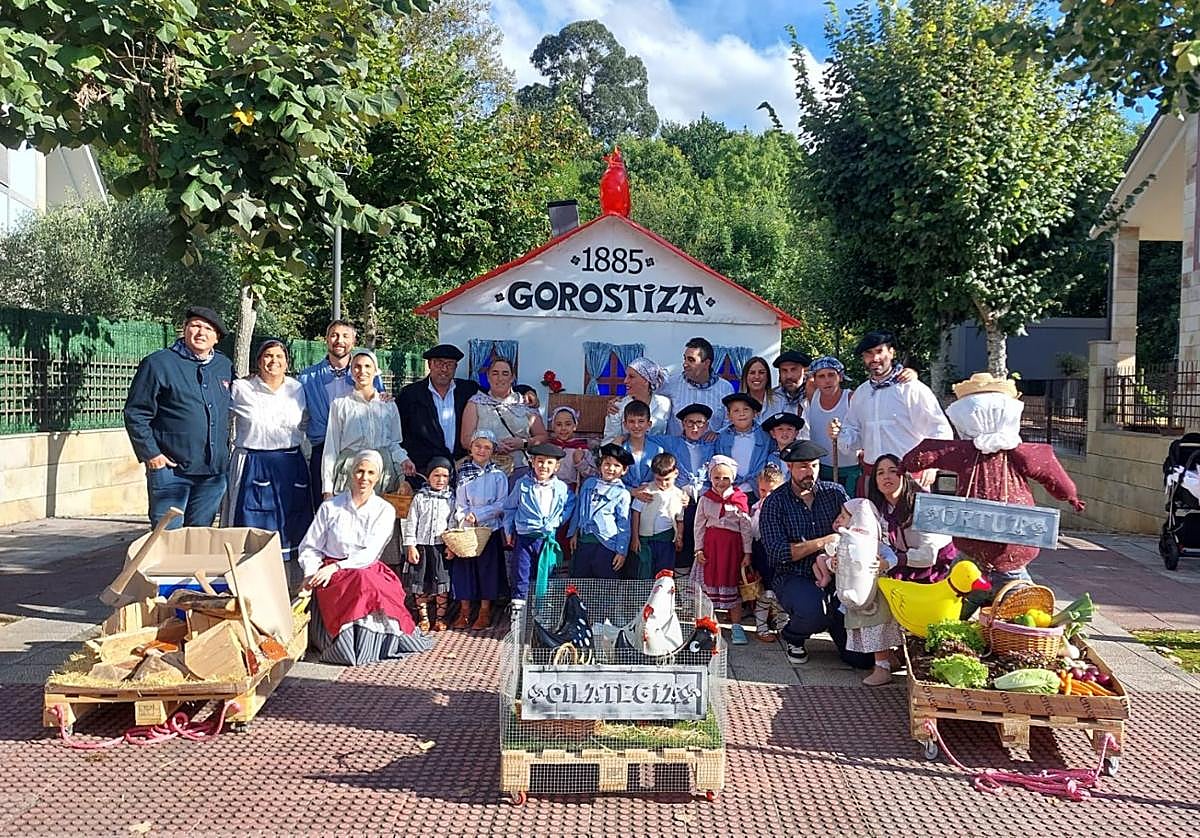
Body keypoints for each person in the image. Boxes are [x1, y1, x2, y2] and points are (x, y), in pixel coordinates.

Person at [902, 372, 1085, 613]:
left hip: (989, 549)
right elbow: (1052, 473)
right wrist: (1069, 495)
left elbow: (924, 454)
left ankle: (979, 620)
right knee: (1008, 602)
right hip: (1002, 545)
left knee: (963, 599)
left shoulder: (971, 452)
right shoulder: (1016, 452)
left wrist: (905, 464)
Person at [298, 449, 432, 665]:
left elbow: (370, 552)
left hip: (366, 567)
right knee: (360, 583)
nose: (364, 478)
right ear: (352, 473)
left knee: (368, 584)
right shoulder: (331, 507)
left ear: (378, 477)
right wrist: (311, 572)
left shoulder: (384, 510)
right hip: (332, 572)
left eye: (371, 473)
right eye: (360, 471)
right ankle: (346, 645)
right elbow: (311, 546)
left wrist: (337, 568)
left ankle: (370, 643)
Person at [758, 439, 874, 669]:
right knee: (815, 612)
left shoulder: (835, 493)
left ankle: (834, 624)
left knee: (861, 660)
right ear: (789, 467)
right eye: (802, 466)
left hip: (838, 576)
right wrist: (823, 542)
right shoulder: (774, 503)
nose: (809, 472)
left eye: (814, 465)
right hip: (793, 576)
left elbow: (857, 527)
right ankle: (793, 635)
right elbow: (778, 553)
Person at [124, 305, 233, 528]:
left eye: (208, 329)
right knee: (167, 536)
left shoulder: (224, 366)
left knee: (199, 537)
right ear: (184, 329)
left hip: (212, 474)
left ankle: (195, 566)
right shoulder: (158, 363)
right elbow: (136, 412)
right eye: (195, 326)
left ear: (216, 338)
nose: (201, 333)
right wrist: (152, 455)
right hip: (171, 471)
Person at [223, 339, 312, 586]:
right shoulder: (241, 388)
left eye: (279, 357)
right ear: (258, 360)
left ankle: (288, 587)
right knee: (251, 524)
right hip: (253, 462)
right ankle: (246, 585)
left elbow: (304, 423)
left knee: (290, 524)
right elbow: (222, 420)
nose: (273, 361)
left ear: (287, 362)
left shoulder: (297, 388)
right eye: (268, 356)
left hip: (290, 465)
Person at [831, 331, 952, 495]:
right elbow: (854, 435)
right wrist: (839, 434)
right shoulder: (861, 393)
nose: (874, 359)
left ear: (891, 352)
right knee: (872, 521)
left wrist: (933, 465)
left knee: (910, 521)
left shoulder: (912, 389)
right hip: (873, 477)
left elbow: (939, 428)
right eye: (868, 354)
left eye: (879, 351)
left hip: (909, 475)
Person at [297, 320, 383, 510]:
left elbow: (379, 405)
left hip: (360, 452)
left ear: (354, 340)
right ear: (326, 339)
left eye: (345, 336)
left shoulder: (367, 372)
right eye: (334, 335)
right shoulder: (307, 377)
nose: (339, 340)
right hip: (323, 449)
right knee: (325, 509)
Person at [822, 498, 903, 686]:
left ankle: (882, 667)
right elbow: (833, 562)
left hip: (874, 599)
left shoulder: (875, 545)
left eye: (844, 517)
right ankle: (886, 661)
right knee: (866, 632)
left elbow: (892, 559)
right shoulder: (844, 543)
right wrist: (832, 564)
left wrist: (883, 564)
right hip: (855, 599)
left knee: (876, 633)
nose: (840, 520)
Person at [322, 349, 413, 498]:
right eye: (357, 366)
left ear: (376, 370)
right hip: (351, 471)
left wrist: (404, 462)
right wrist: (327, 488)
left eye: (367, 366)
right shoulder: (340, 404)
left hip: (382, 473)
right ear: (351, 371)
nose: (362, 371)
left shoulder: (388, 405)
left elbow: (394, 443)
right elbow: (331, 448)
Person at [867, 453, 957, 583]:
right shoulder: (881, 508)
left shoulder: (925, 506)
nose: (886, 476)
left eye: (893, 471)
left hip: (939, 568)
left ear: (904, 475)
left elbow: (928, 555)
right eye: (880, 473)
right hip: (906, 564)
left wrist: (893, 560)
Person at [503, 442, 574, 604]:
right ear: (533, 462)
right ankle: (518, 617)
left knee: (546, 577)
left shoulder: (561, 488)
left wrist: (558, 520)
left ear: (556, 467)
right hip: (524, 538)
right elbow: (510, 508)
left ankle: (542, 615)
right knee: (521, 576)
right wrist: (508, 531)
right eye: (540, 461)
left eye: (549, 462)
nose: (544, 466)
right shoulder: (522, 484)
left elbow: (571, 504)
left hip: (547, 540)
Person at [452, 429, 509, 630]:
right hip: (467, 531)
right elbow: (459, 503)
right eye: (478, 446)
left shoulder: (498, 476)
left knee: (487, 570)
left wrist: (480, 515)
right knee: (464, 570)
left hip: (488, 530)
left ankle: (485, 611)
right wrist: (464, 520)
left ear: (493, 450)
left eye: (487, 447)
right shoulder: (463, 473)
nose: (482, 450)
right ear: (471, 448)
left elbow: (501, 504)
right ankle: (464, 610)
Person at [694, 455, 753, 645]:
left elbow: (746, 527)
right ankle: (708, 626)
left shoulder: (739, 499)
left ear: (733, 478)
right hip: (711, 548)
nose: (720, 482)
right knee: (709, 588)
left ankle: (736, 626)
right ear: (710, 478)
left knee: (730, 584)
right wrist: (699, 549)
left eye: (725, 478)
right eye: (716, 477)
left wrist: (747, 552)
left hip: (730, 549)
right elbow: (699, 525)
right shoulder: (705, 499)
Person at [396, 343, 480, 478]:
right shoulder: (410, 394)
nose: (444, 369)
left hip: (462, 467)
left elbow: (496, 392)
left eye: (449, 364)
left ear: (456, 367)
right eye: (439, 363)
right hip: (424, 470)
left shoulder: (467, 390)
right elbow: (398, 432)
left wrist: (524, 391)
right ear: (430, 365)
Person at [460, 357, 547, 478]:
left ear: (512, 378)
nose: (500, 378)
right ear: (488, 377)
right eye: (495, 373)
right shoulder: (475, 403)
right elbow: (465, 440)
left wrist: (523, 443)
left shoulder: (526, 402)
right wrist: (492, 445)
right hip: (484, 470)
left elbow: (542, 437)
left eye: (505, 373)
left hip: (520, 468)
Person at [659, 403, 716, 574]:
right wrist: (622, 437)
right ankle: (681, 582)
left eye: (700, 423)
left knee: (706, 543)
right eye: (690, 422)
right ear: (683, 424)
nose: (695, 427)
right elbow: (644, 437)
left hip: (706, 500)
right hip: (683, 501)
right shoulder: (672, 441)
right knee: (682, 543)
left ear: (706, 425)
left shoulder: (712, 443)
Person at [402, 457, 455, 632]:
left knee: (442, 582)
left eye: (445, 476)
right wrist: (410, 545)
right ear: (428, 476)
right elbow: (411, 522)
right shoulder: (420, 497)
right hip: (421, 547)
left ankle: (440, 618)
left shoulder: (451, 498)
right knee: (420, 583)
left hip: (440, 546)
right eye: (436, 475)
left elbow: (453, 522)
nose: (440, 480)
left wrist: (451, 545)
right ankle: (423, 618)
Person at [569, 443, 633, 579]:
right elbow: (579, 509)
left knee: (605, 583)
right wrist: (574, 533)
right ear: (600, 465)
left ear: (624, 470)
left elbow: (624, 524)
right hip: (585, 540)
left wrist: (621, 551)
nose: (611, 469)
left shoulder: (622, 493)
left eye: (617, 466)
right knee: (580, 580)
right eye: (607, 464)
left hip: (607, 543)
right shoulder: (589, 484)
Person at [805, 356, 859, 496]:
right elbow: (805, 376)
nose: (827, 380)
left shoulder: (851, 398)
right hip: (820, 468)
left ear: (840, 377)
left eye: (831, 375)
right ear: (815, 380)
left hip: (850, 469)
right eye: (821, 376)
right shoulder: (813, 395)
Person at [659, 337, 734, 434]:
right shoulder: (671, 383)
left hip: (712, 448)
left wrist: (718, 434)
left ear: (706, 363)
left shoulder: (725, 388)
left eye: (691, 360)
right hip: (675, 448)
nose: (685, 364)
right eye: (685, 359)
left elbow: (729, 423)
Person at [630, 452, 687, 579]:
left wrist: (679, 537)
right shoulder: (646, 491)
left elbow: (680, 520)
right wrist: (635, 538)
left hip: (667, 541)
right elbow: (636, 514)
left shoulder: (679, 495)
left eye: (667, 479)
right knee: (644, 571)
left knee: (665, 574)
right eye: (658, 480)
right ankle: (643, 598)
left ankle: (663, 598)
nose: (663, 483)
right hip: (646, 541)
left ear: (675, 474)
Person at [749, 464, 786, 642]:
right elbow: (754, 532)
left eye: (772, 491)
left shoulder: (785, 508)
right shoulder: (756, 507)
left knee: (781, 592)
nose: (767, 495)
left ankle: (782, 625)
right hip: (762, 553)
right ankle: (761, 626)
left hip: (779, 554)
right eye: (763, 490)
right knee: (765, 592)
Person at [603, 357, 673, 442]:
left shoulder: (665, 404)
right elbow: (609, 441)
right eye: (626, 376)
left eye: (631, 377)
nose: (625, 381)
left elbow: (669, 435)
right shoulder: (617, 406)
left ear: (646, 380)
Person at [714, 393, 770, 498]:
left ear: (754, 413)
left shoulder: (765, 436)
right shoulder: (721, 438)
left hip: (758, 491)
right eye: (736, 411)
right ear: (729, 416)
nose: (742, 414)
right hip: (730, 491)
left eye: (746, 409)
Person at [620, 399, 667, 490]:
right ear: (625, 425)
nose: (636, 426)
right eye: (632, 421)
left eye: (641, 421)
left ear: (649, 424)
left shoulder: (657, 450)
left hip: (650, 495)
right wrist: (632, 491)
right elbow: (613, 480)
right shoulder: (620, 449)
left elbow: (661, 477)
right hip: (624, 496)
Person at [772, 350, 812, 415]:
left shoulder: (814, 394)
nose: (789, 376)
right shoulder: (773, 397)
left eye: (793, 370)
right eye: (784, 370)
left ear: (804, 371)